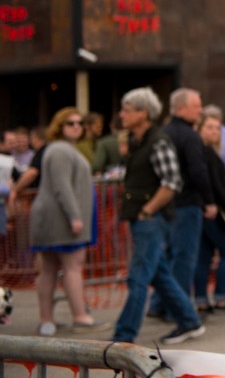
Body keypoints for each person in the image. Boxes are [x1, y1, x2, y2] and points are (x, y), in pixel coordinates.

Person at [111, 87, 206, 345]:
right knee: (159, 274)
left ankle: (124, 335)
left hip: (150, 219)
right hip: (144, 217)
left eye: (127, 110)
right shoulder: (137, 141)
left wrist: (147, 210)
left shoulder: (158, 141)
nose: (122, 115)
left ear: (144, 113)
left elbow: (172, 182)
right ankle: (189, 320)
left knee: (139, 276)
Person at [30, 107, 107, 336]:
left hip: (56, 219)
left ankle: (48, 320)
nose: (76, 127)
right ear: (59, 126)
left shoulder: (61, 150)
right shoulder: (60, 151)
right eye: (70, 123)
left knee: (52, 268)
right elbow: (62, 187)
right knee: (70, 266)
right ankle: (78, 316)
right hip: (60, 220)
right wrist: (75, 216)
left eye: (79, 123)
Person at [149, 88, 216, 318]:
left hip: (167, 205)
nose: (200, 110)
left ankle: (158, 304)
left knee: (168, 256)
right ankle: (177, 310)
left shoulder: (163, 132)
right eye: (196, 106)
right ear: (181, 108)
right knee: (184, 258)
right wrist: (209, 201)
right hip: (187, 204)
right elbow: (198, 171)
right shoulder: (189, 136)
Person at [193, 107, 225, 313]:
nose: (214, 132)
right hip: (215, 211)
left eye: (216, 128)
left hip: (206, 210)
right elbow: (214, 183)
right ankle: (221, 298)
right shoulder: (206, 154)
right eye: (209, 127)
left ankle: (201, 299)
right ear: (200, 128)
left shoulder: (206, 152)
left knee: (204, 256)